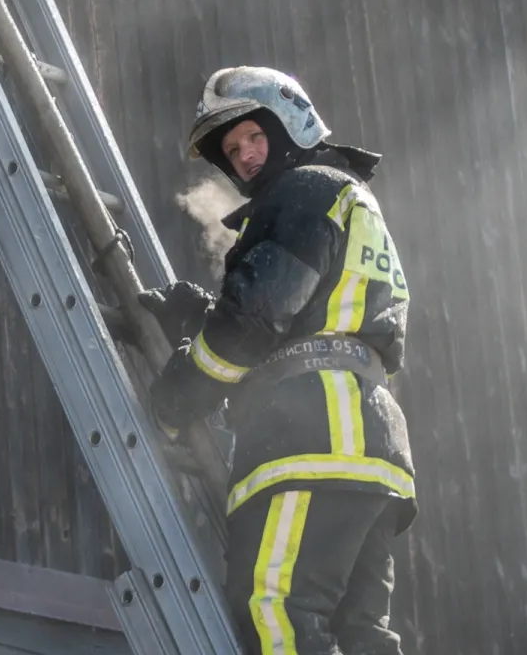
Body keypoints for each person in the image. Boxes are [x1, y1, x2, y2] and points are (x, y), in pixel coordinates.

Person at [142, 66, 416, 655]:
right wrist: (201, 315)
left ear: (288, 123)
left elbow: (253, 325)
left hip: (313, 438)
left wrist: (176, 397)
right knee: (362, 634)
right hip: (368, 446)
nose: (243, 156)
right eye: (233, 149)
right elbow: (304, 317)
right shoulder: (343, 196)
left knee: (276, 610)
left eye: (253, 137)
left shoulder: (305, 190)